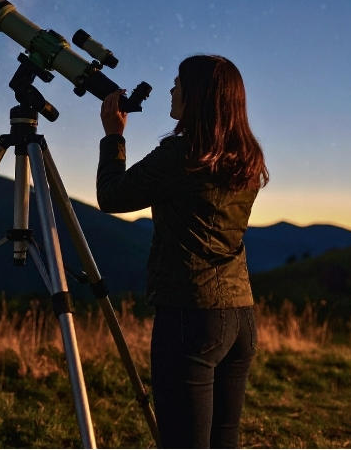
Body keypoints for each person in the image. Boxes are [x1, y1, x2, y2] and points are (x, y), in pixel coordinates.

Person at [97, 54, 269, 448]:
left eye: (179, 83)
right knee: (224, 439)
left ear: (199, 96)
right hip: (239, 314)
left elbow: (111, 197)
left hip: (190, 315)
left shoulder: (183, 154)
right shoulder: (244, 157)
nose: (172, 89)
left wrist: (114, 136)